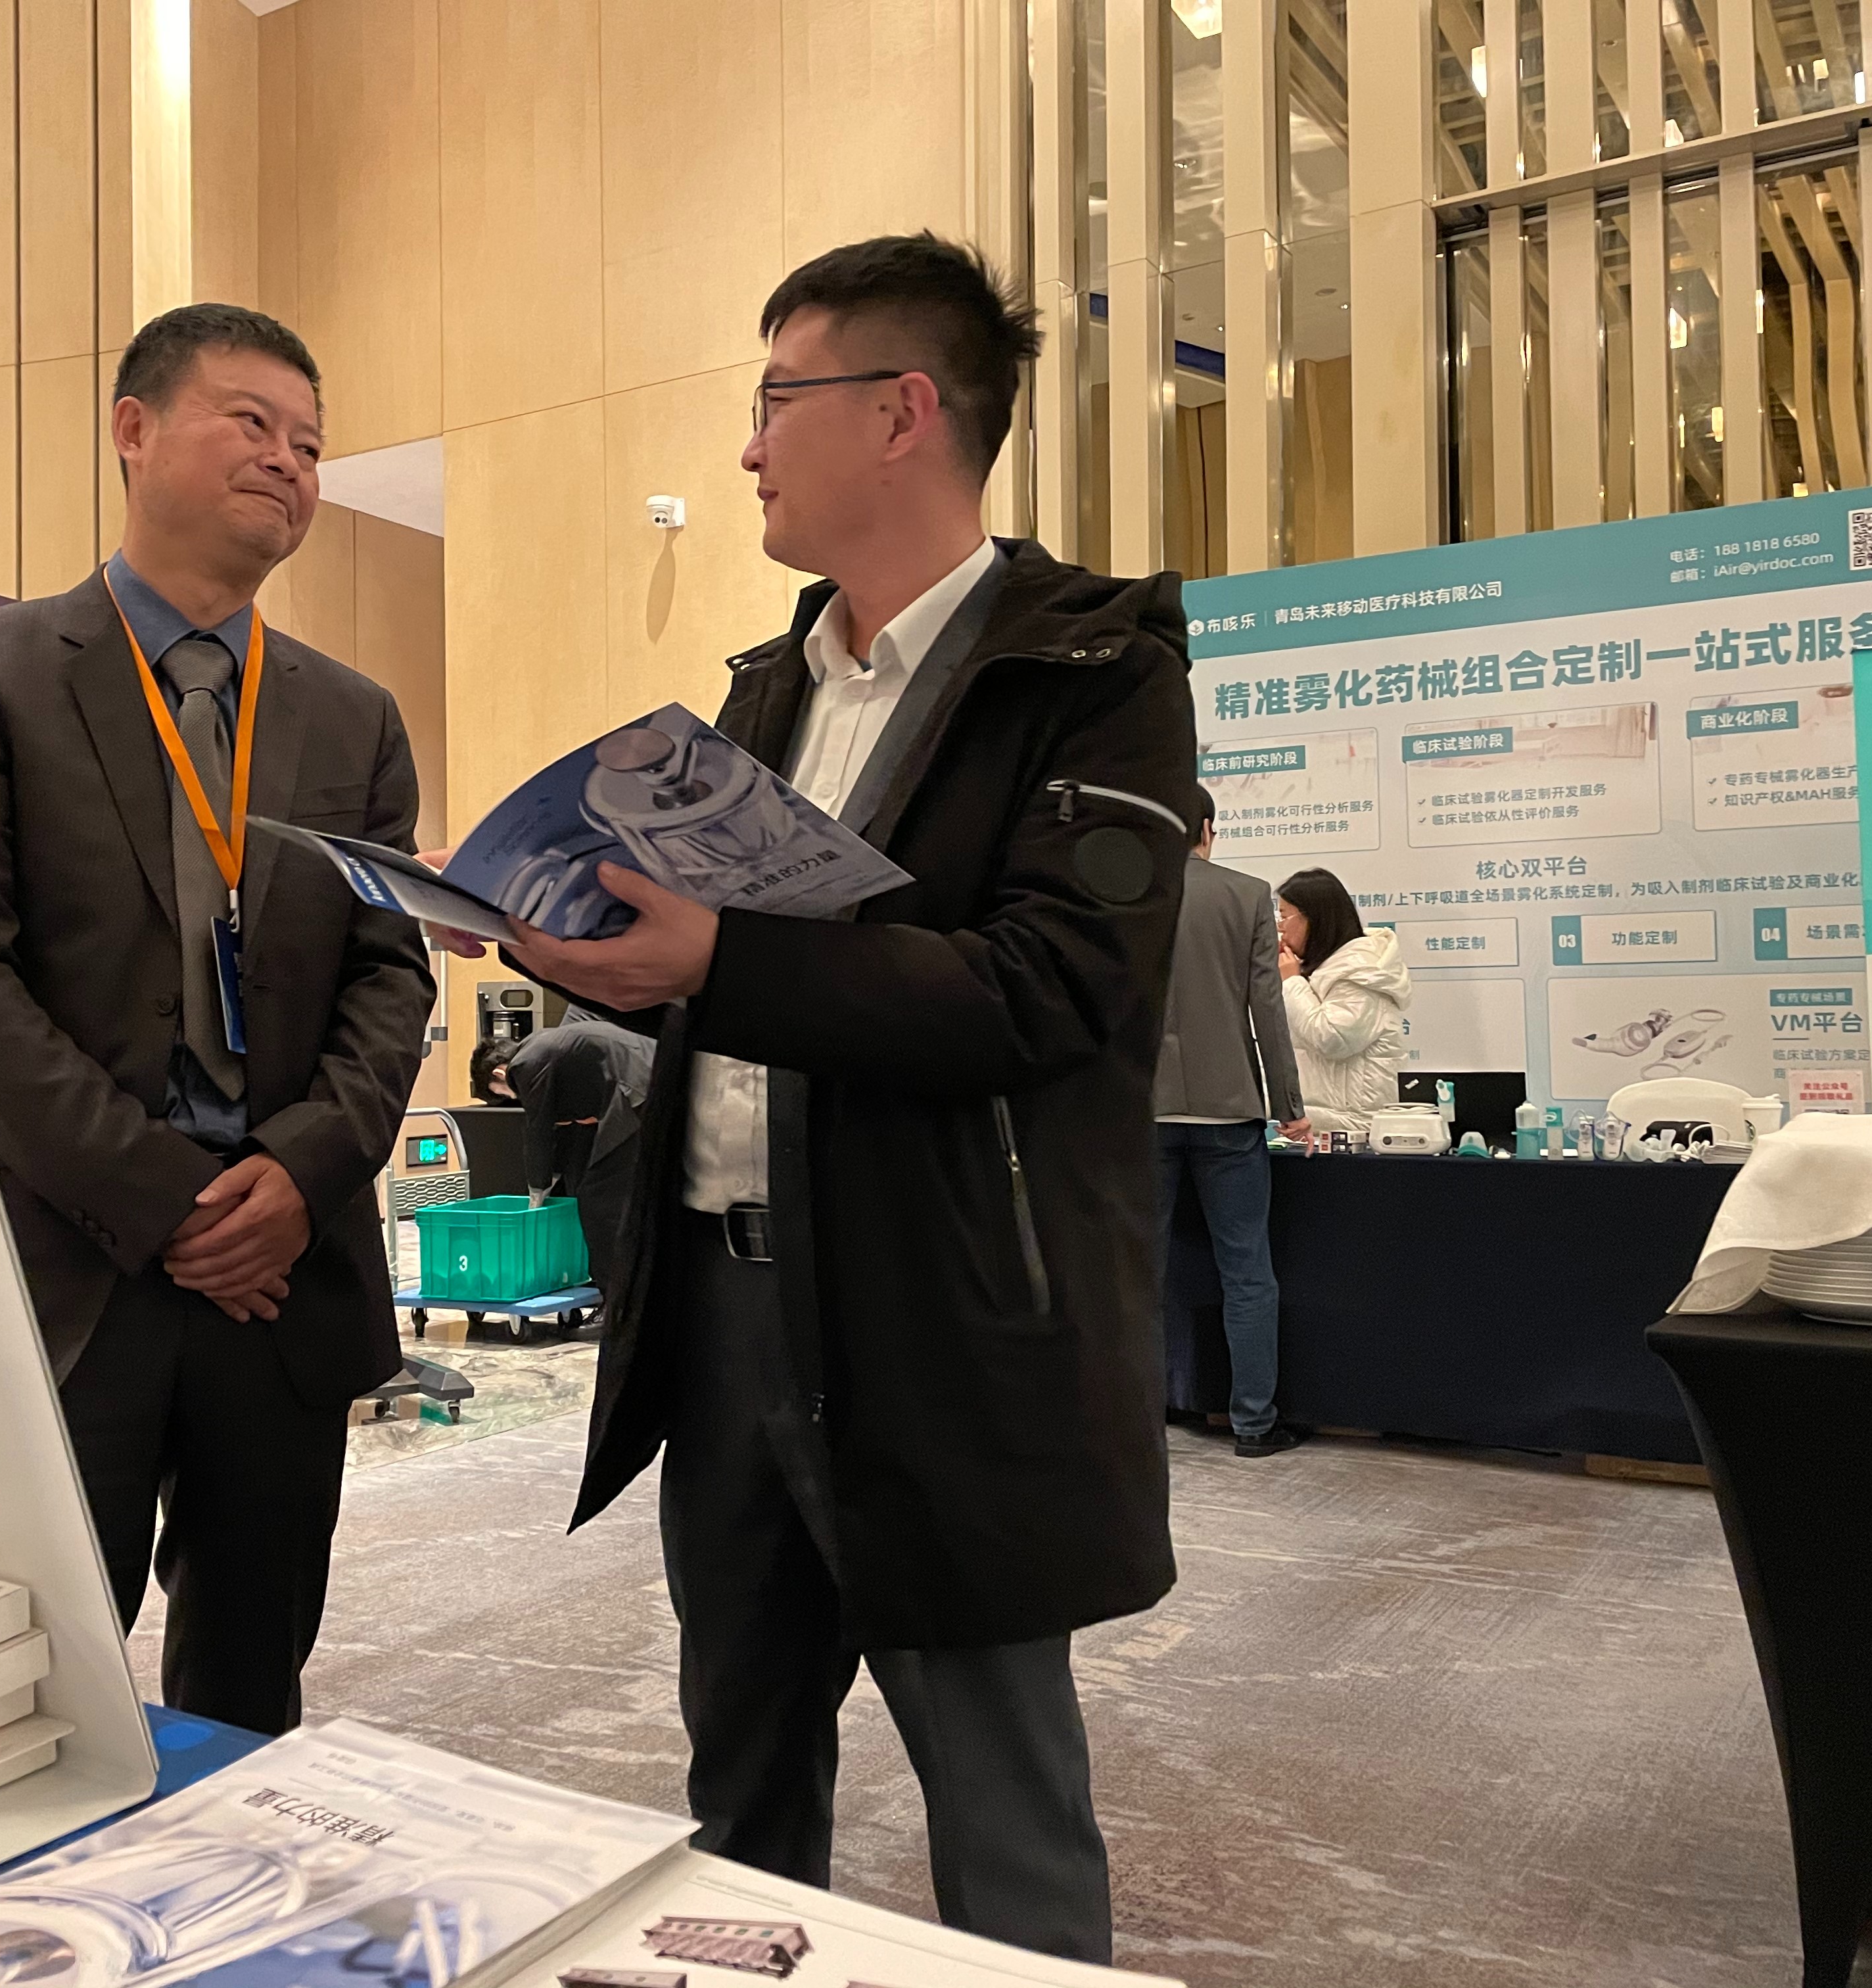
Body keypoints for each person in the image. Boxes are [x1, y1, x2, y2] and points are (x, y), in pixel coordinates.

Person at [446, 233, 1196, 1963]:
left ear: (902, 413)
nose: (748, 447)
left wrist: (717, 959)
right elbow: (735, 992)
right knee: (742, 1789)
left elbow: (1051, 992)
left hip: (941, 1322)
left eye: (779, 399)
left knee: (1003, 1814)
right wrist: (585, 952)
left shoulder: (1091, 674)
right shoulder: (766, 689)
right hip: (722, 1313)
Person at [0, 302, 434, 1734]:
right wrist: (172, 1202)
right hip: (78, 1266)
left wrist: (298, 1176)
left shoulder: (354, 717)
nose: (288, 461)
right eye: (252, 422)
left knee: (250, 1696)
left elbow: (390, 976)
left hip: (285, 1268)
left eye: (309, 442)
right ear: (132, 429)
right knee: (26, 1699)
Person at [1157, 790, 1307, 1457]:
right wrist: (1290, 1108)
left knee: (1138, 1276)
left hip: (1143, 1110)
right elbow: (1267, 1011)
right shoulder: (1247, 895)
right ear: (1207, 829)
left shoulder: (1125, 898)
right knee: (1247, 1271)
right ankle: (1254, 1424)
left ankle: (1138, 1423)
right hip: (1229, 1109)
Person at [505, 1014, 656, 1306]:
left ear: (499, 1075)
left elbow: (538, 1130)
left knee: (600, 1200)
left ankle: (615, 1304)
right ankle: (619, 1291)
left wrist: (536, 1195)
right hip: (647, 1075)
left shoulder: (524, 1064)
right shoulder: (546, 1042)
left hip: (635, 1090)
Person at [1275, 868, 1409, 1137]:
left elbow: (1333, 1039)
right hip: (1321, 1127)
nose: (1280, 927)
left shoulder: (1363, 971)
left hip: (1353, 1133)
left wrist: (1292, 982)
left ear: (1315, 918)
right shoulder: (1321, 968)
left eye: (1284, 916)